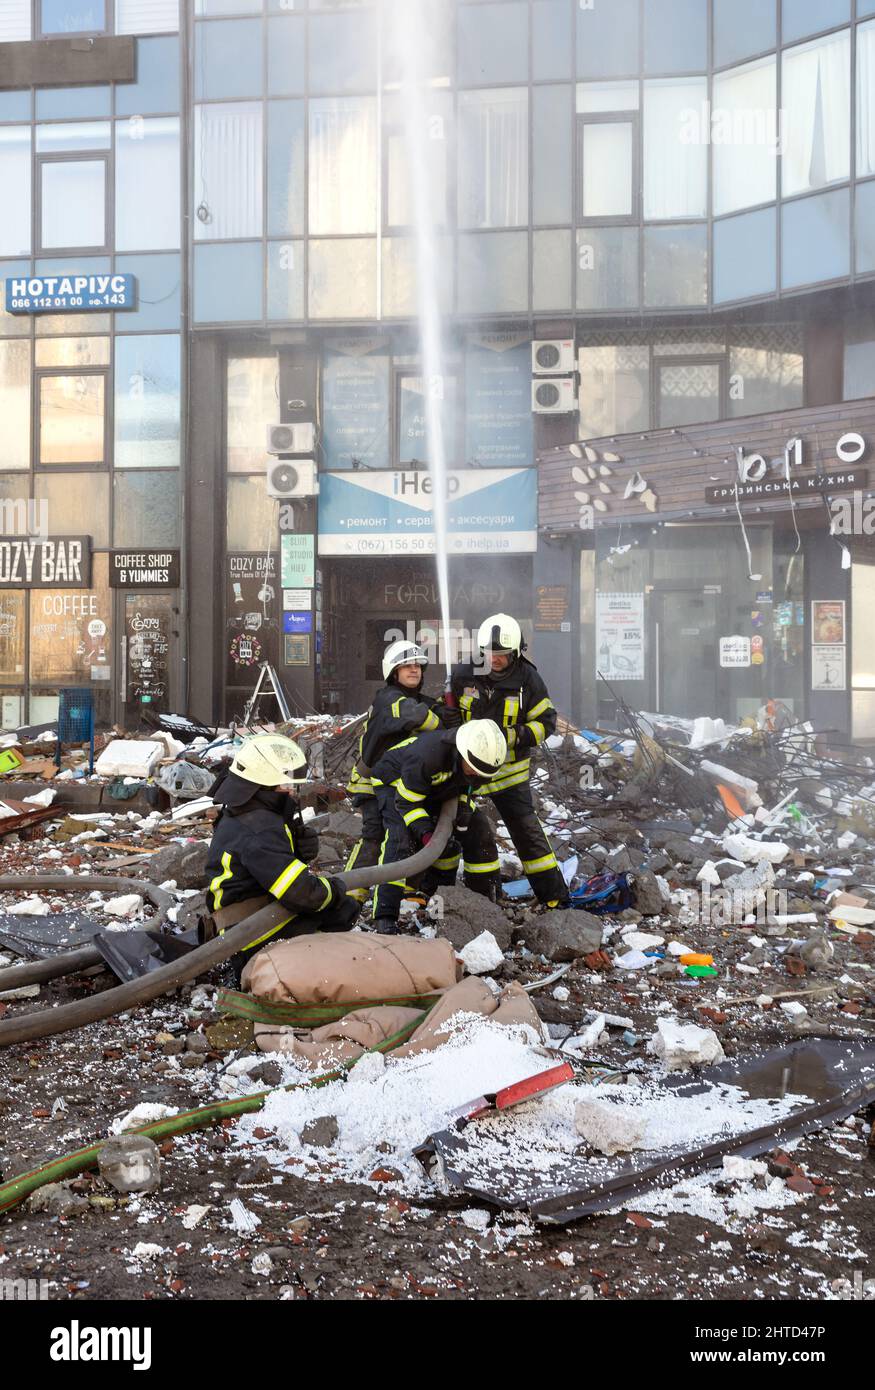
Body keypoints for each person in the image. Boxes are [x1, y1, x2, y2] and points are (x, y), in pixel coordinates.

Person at [205, 734, 360, 980]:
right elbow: (303, 894)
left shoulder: (242, 810)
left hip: (244, 920)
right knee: (343, 910)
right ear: (263, 785)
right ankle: (282, 970)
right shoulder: (260, 828)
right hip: (250, 933)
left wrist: (296, 850)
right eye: (284, 784)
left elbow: (260, 868)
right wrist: (336, 890)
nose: (290, 791)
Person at [443, 613, 568, 908]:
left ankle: (554, 898)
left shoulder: (528, 680)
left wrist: (511, 736)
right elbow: (444, 708)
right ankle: (479, 897)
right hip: (469, 771)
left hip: (510, 774)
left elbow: (546, 722)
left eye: (501, 654)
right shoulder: (464, 673)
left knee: (527, 834)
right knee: (461, 829)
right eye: (489, 653)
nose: (494, 659)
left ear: (515, 652)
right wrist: (446, 716)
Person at [368, 719, 507, 930]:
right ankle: (385, 915)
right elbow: (406, 802)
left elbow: (468, 787)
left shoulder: (478, 762)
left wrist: (463, 811)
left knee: (477, 829)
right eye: (475, 770)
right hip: (394, 783)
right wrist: (426, 834)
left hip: (435, 786)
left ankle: (479, 898)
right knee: (400, 838)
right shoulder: (426, 757)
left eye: (483, 773)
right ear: (462, 752)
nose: (478, 776)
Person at [343, 639, 442, 903]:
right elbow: (417, 716)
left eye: (417, 666)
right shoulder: (389, 698)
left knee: (407, 832)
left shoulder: (418, 699)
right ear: (393, 672)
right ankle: (352, 891)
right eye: (406, 666)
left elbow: (427, 708)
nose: (413, 670)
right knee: (375, 836)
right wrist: (443, 719)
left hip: (396, 781)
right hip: (371, 782)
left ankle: (407, 889)